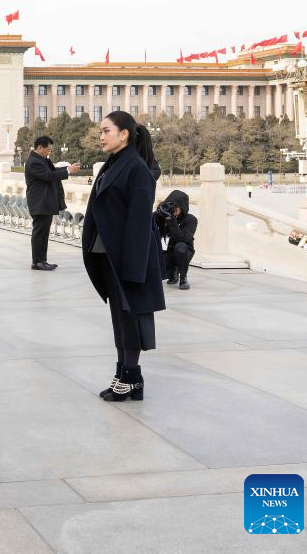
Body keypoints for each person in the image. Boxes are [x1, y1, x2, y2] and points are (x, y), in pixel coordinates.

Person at [82, 111, 165, 402]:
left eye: (106, 131)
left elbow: (139, 222)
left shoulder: (136, 168)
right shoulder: (114, 163)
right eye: (100, 132)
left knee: (129, 318)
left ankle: (131, 377)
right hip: (106, 253)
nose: (101, 136)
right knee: (119, 318)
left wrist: (134, 266)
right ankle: (125, 374)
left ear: (124, 134)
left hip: (126, 258)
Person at [24, 135, 80, 270]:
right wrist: (68, 171)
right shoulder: (34, 162)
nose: (49, 152)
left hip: (45, 202)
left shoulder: (42, 159)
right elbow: (49, 176)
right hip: (40, 202)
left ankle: (42, 260)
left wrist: (68, 169)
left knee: (44, 233)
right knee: (39, 233)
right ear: (39, 148)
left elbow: (53, 171)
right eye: (48, 150)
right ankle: (37, 262)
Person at [155, 190, 197, 290]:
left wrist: (171, 220)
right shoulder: (164, 216)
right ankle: (173, 272)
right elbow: (146, 224)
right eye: (170, 208)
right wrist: (158, 214)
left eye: (175, 208)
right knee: (155, 274)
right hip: (170, 253)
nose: (172, 210)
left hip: (184, 252)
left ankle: (183, 277)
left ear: (182, 207)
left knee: (180, 247)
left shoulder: (191, 220)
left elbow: (183, 239)